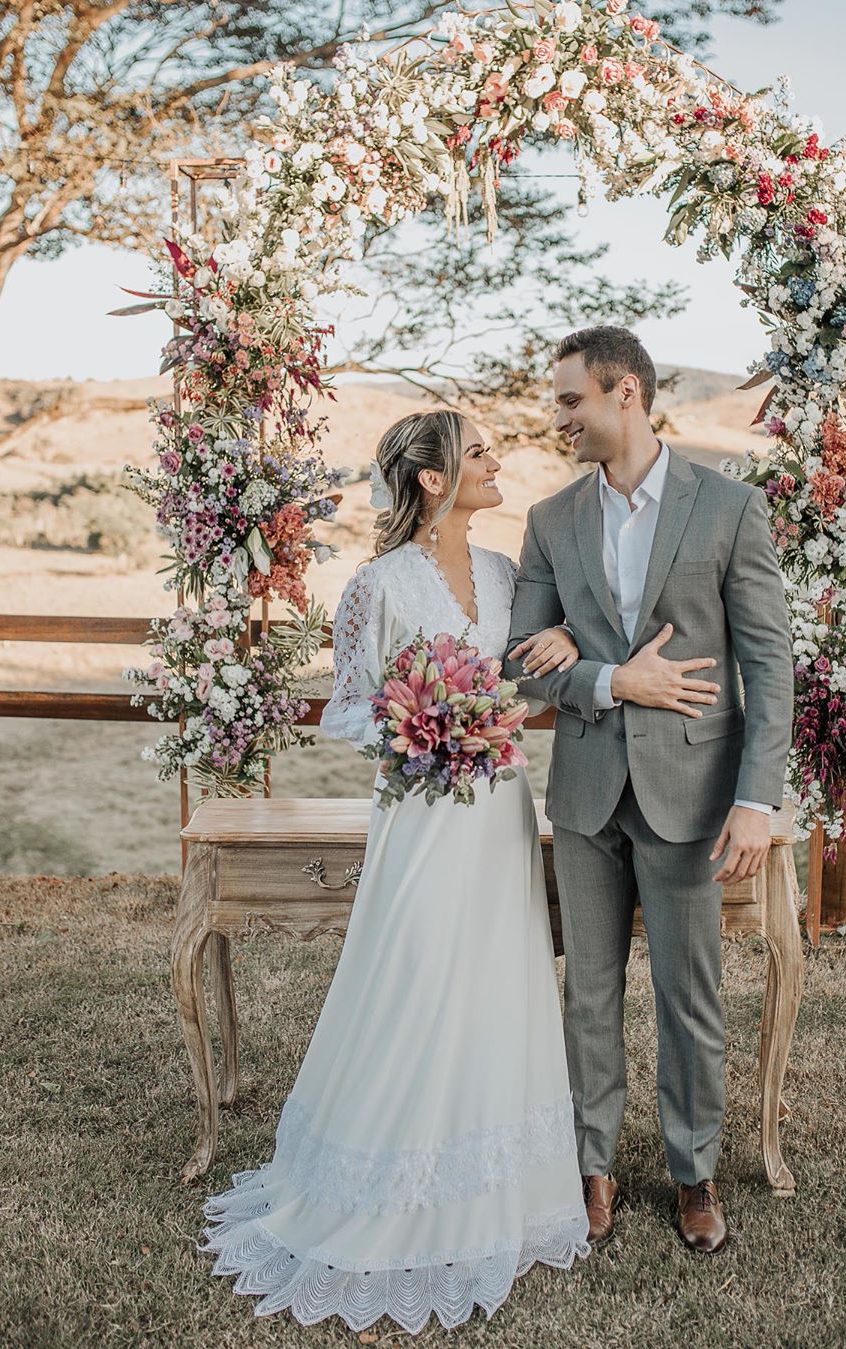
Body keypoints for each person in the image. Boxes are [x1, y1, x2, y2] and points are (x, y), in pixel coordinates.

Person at [200, 410, 590, 1335]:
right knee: (415, 977)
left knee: (494, 981)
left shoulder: (507, 575)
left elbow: (530, 675)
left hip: (498, 810)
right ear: (430, 478)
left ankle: (497, 1184)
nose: (499, 463)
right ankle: (383, 1174)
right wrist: (423, 731)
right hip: (420, 813)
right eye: (481, 452)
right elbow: (345, 710)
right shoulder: (375, 585)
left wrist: (559, 647)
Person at [505, 326, 794, 1255]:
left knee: (689, 992)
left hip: (693, 796)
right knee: (588, 991)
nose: (561, 419)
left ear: (624, 393)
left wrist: (756, 798)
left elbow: (768, 662)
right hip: (587, 793)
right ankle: (593, 1167)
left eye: (570, 400)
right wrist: (606, 679)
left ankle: (694, 1169)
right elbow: (525, 663)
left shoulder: (729, 509)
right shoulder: (550, 521)